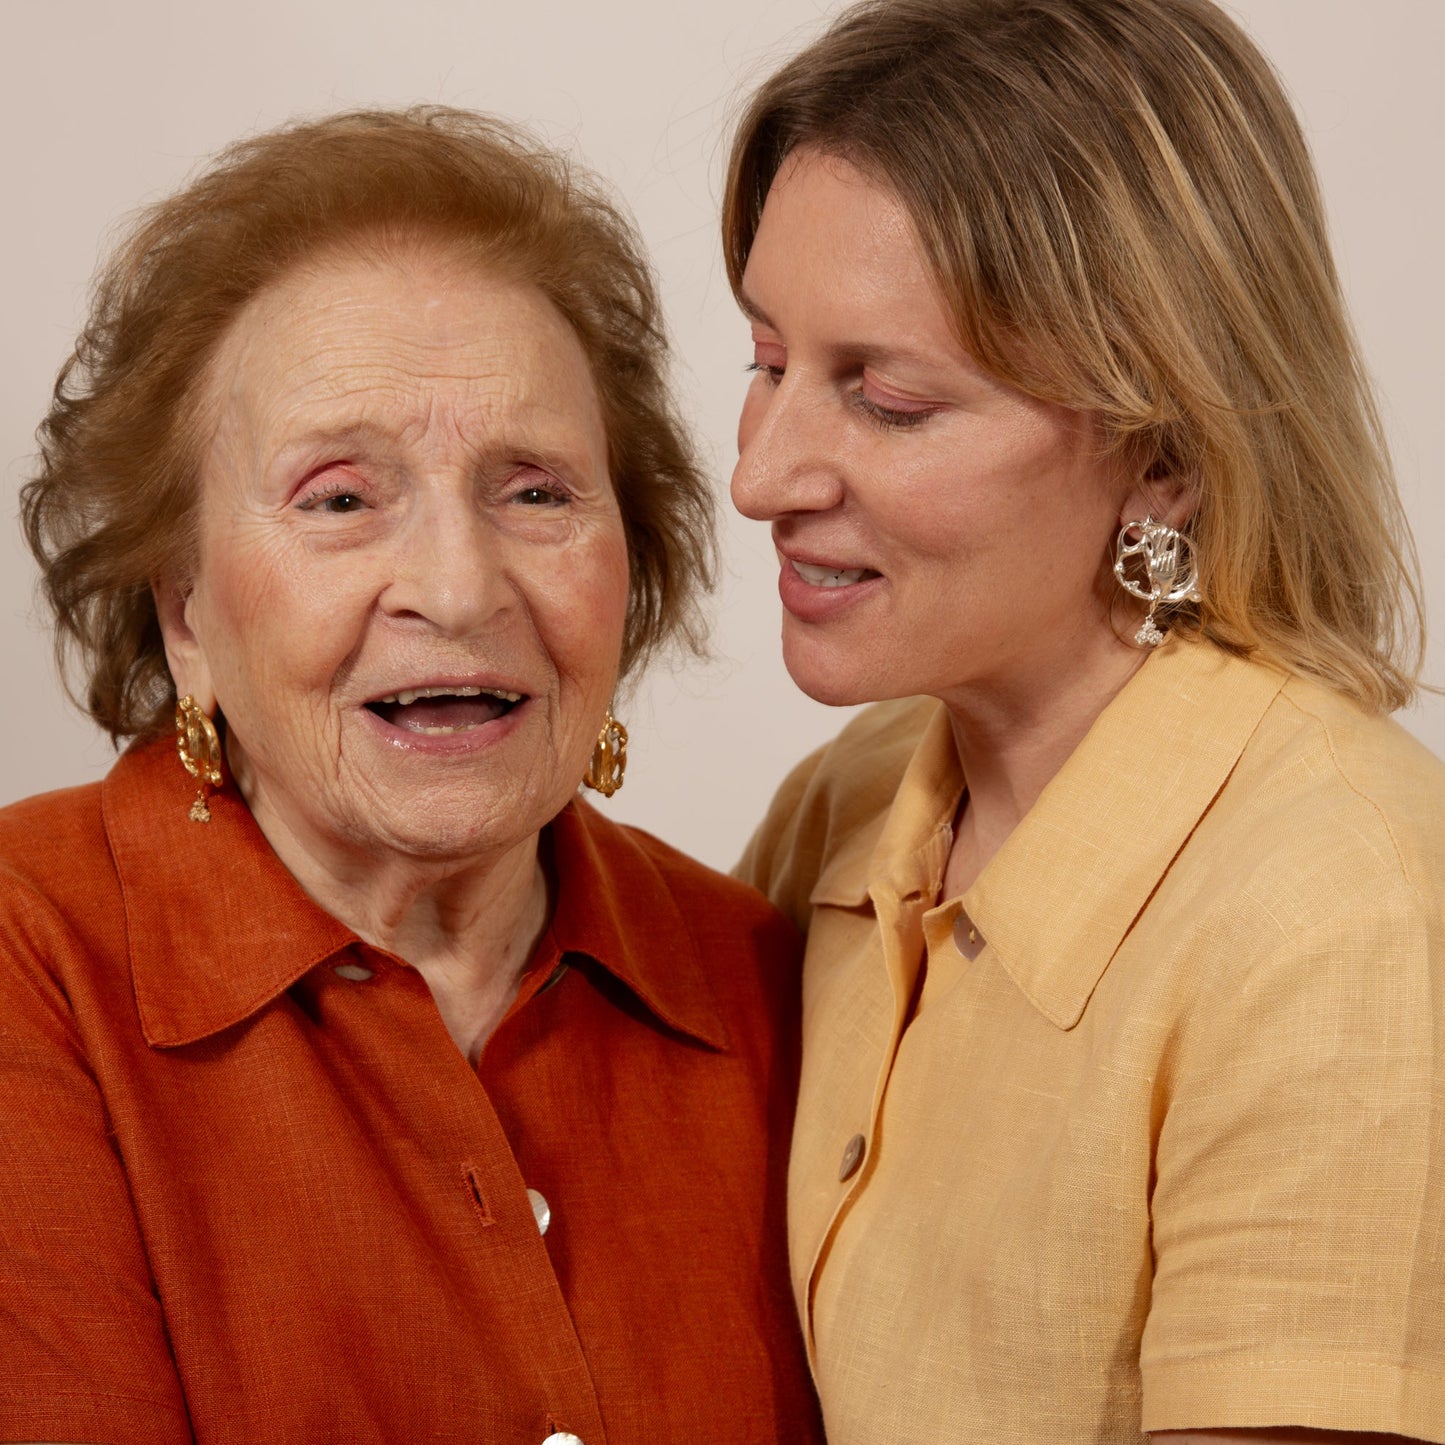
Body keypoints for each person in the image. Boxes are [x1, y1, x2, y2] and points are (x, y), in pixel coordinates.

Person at [0, 107, 823, 1445]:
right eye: (339, 496)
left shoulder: (764, 981)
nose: (455, 586)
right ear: (186, 608)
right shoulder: (34, 957)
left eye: (538, 492)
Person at [723, 1, 1445, 1441]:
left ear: (1164, 453)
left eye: (889, 398)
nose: (763, 475)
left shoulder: (1336, 905)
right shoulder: (846, 804)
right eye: (766, 361)